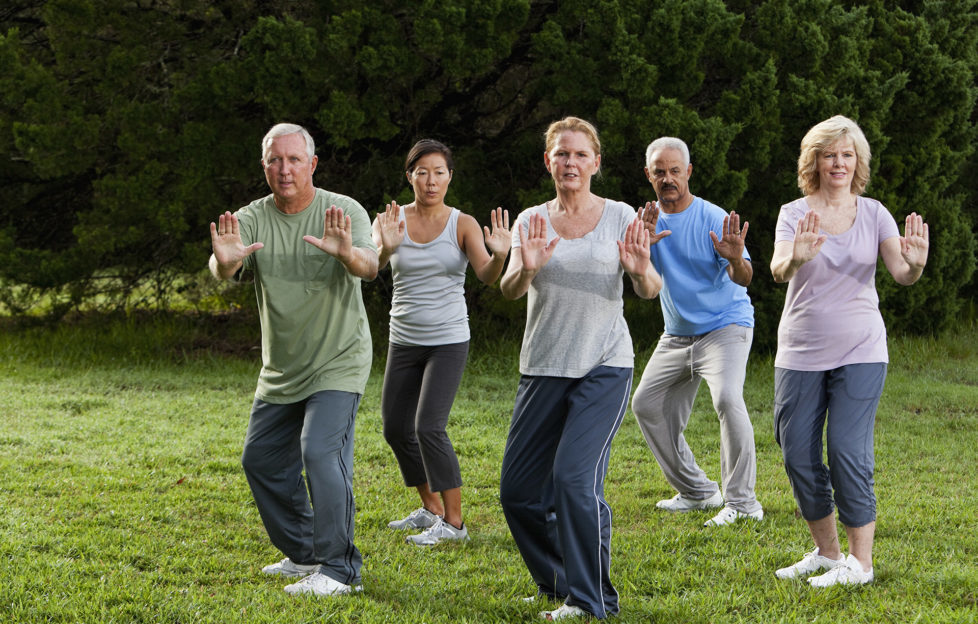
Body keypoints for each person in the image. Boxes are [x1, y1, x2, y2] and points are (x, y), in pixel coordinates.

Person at [498, 117, 662, 621]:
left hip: (603, 365)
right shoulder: (531, 219)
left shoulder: (618, 217)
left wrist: (640, 271)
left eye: (579, 155)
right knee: (518, 492)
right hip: (543, 366)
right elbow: (509, 288)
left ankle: (591, 602)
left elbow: (649, 288)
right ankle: (558, 583)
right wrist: (525, 266)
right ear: (548, 161)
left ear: (596, 163)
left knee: (574, 480)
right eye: (561, 154)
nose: (570, 163)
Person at [208, 123, 378, 597]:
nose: (285, 169)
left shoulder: (343, 211)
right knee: (259, 460)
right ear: (264, 166)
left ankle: (341, 569)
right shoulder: (253, 217)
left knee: (321, 453)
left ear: (313, 164)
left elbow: (370, 263)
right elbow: (227, 260)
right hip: (282, 368)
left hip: (339, 359)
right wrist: (223, 262)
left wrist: (347, 255)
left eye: (294, 160)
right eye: (275, 160)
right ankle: (305, 553)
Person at [770, 115, 928, 587]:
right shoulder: (793, 212)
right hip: (799, 349)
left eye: (846, 154)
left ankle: (860, 563)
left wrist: (915, 266)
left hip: (861, 347)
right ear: (813, 161)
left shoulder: (875, 213)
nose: (838, 162)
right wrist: (796, 256)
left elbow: (901, 272)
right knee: (797, 450)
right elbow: (779, 268)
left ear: (857, 161)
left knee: (845, 449)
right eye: (828, 154)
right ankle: (826, 552)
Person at [373, 139, 511, 545]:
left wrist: (500, 255)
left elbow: (488, 276)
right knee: (396, 428)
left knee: (428, 427)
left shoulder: (462, 223)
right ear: (409, 176)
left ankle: (455, 524)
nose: (431, 181)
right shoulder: (391, 219)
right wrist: (386, 246)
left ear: (450, 176)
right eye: (422, 172)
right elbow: (373, 266)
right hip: (404, 338)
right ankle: (430, 507)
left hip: (448, 340)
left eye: (439, 172)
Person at [630, 137, 764, 528]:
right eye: (660, 172)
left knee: (726, 398)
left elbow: (745, 278)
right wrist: (642, 255)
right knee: (646, 404)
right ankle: (698, 491)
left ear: (688, 172)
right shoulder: (645, 225)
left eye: (675, 170)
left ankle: (742, 503)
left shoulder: (712, 217)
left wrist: (736, 257)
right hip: (677, 334)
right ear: (648, 175)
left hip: (725, 327)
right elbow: (644, 290)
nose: (668, 178)